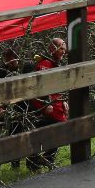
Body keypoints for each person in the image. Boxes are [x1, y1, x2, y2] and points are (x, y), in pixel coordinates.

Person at [24, 36, 69, 169]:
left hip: (55, 106)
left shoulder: (55, 64)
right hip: (46, 107)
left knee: (57, 131)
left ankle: (43, 160)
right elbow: (40, 88)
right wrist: (45, 105)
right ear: (53, 49)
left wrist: (64, 101)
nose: (63, 52)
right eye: (61, 48)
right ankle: (38, 161)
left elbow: (57, 87)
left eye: (64, 49)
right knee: (53, 130)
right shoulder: (44, 65)